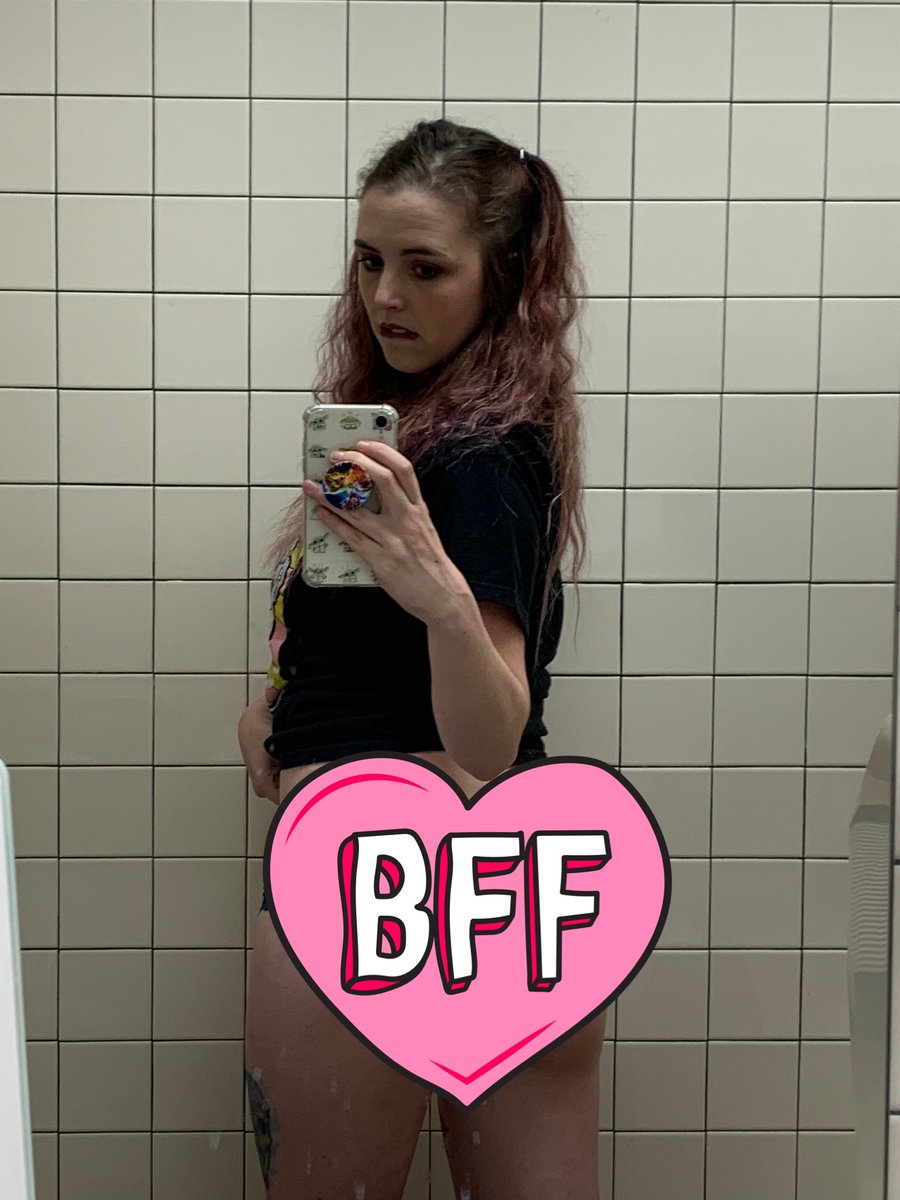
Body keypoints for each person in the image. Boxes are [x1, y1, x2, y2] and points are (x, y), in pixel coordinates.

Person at [240, 118, 606, 1200]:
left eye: (425, 267)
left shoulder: (481, 454)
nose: (384, 295)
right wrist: (279, 698)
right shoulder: (449, 434)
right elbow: (379, 656)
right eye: (368, 261)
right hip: (512, 889)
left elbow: (488, 733)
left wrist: (436, 588)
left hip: (374, 880)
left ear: (503, 279)